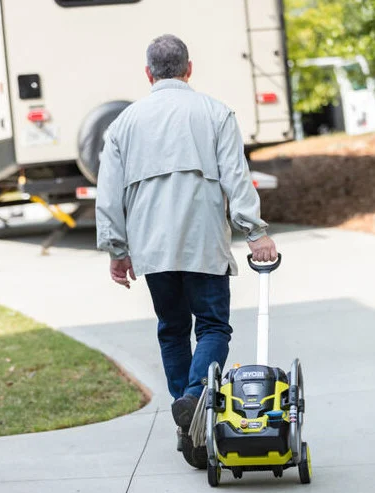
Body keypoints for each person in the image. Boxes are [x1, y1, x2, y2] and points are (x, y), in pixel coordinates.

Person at [96, 34, 277, 465]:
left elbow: (108, 195)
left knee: (172, 329)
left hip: (152, 248)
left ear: (148, 73)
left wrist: (117, 250)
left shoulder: (123, 124)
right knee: (213, 327)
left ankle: (188, 418)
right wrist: (256, 233)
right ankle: (196, 398)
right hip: (203, 244)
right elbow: (236, 176)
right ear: (189, 69)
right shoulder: (215, 112)